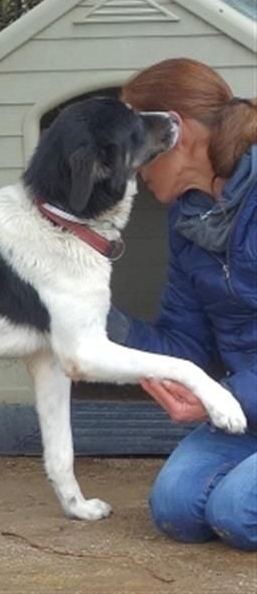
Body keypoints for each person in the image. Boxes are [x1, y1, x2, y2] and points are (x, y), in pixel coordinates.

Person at [107, 58, 257, 551]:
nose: (130, 167)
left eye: (135, 146)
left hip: (244, 399)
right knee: (176, 508)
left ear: (176, 130)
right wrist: (96, 321)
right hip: (248, 410)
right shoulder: (188, 220)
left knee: (237, 511)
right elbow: (184, 345)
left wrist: (226, 395)